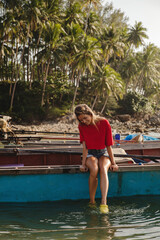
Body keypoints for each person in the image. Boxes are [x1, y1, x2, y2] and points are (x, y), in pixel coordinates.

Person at [74, 104, 119, 213]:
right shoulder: (82, 126)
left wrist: (114, 163)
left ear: (90, 114)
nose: (84, 121)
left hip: (104, 152)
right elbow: (85, 147)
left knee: (103, 169)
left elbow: (109, 145)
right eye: (81, 120)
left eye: (85, 118)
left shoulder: (104, 122)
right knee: (94, 169)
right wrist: (83, 164)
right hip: (90, 153)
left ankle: (104, 203)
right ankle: (92, 201)